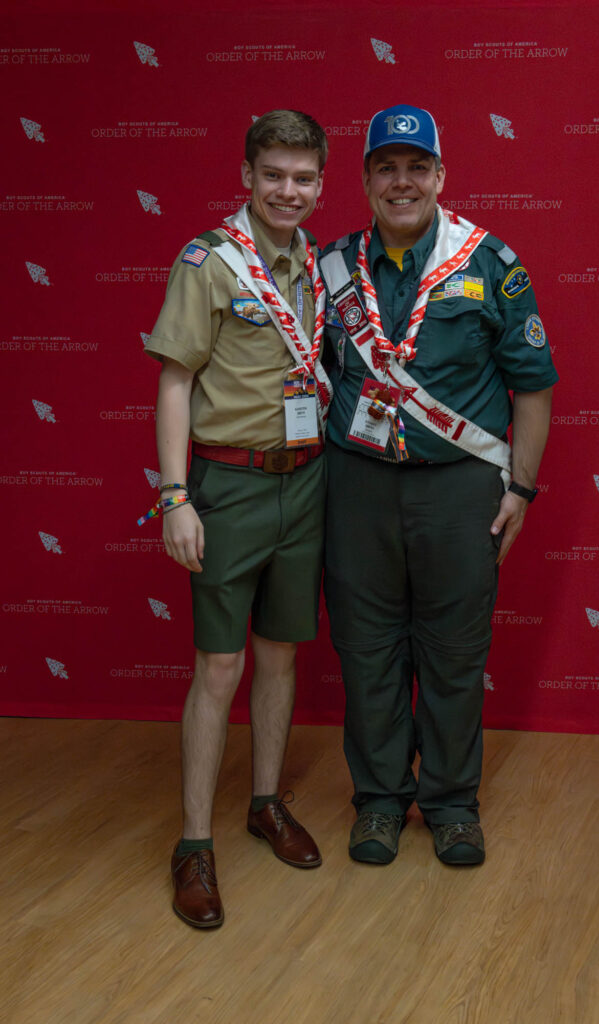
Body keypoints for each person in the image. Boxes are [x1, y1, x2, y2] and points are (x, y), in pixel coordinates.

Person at [319, 104, 558, 867]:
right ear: (365, 180)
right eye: (386, 167)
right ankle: (380, 801)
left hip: (460, 488)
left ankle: (452, 805)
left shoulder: (489, 264)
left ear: (441, 175)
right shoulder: (330, 268)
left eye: (416, 167)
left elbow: (533, 385)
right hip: (357, 485)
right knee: (367, 649)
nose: (402, 182)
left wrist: (520, 489)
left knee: (454, 653)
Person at [143, 110, 332, 928]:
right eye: (274, 175)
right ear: (247, 177)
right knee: (219, 668)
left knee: (279, 656)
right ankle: (193, 845)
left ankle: (265, 803)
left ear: (320, 183)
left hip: (306, 482)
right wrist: (175, 496)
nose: (288, 191)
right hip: (229, 484)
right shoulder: (210, 261)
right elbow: (175, 381)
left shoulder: (316, 263)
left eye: (303, 178)